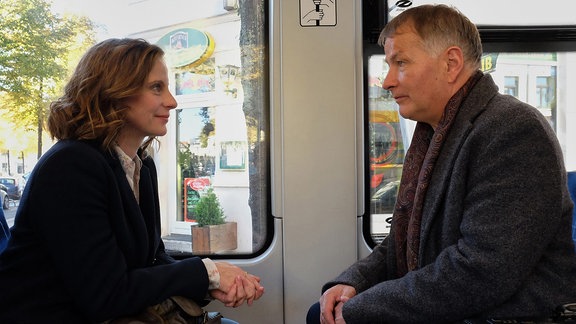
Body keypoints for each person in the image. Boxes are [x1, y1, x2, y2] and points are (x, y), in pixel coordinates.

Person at [307, 4, 576, 323]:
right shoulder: (435, 135)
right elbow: (402, 241)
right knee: (320, 312)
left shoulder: (512, 130)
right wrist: (353, 282)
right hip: (462, 305)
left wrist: (364, 308)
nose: (387, 81)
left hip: (504, 315)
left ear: (451, 63)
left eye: (401, 63)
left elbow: (482, 271)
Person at [0, 38, 264, 323]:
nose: (172, 102)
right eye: (156, 88)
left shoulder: (141, 164)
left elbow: (154, 259)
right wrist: (207, 272)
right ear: (115, 93)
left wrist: (212, 282)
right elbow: (106, 294)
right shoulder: (70, 166)